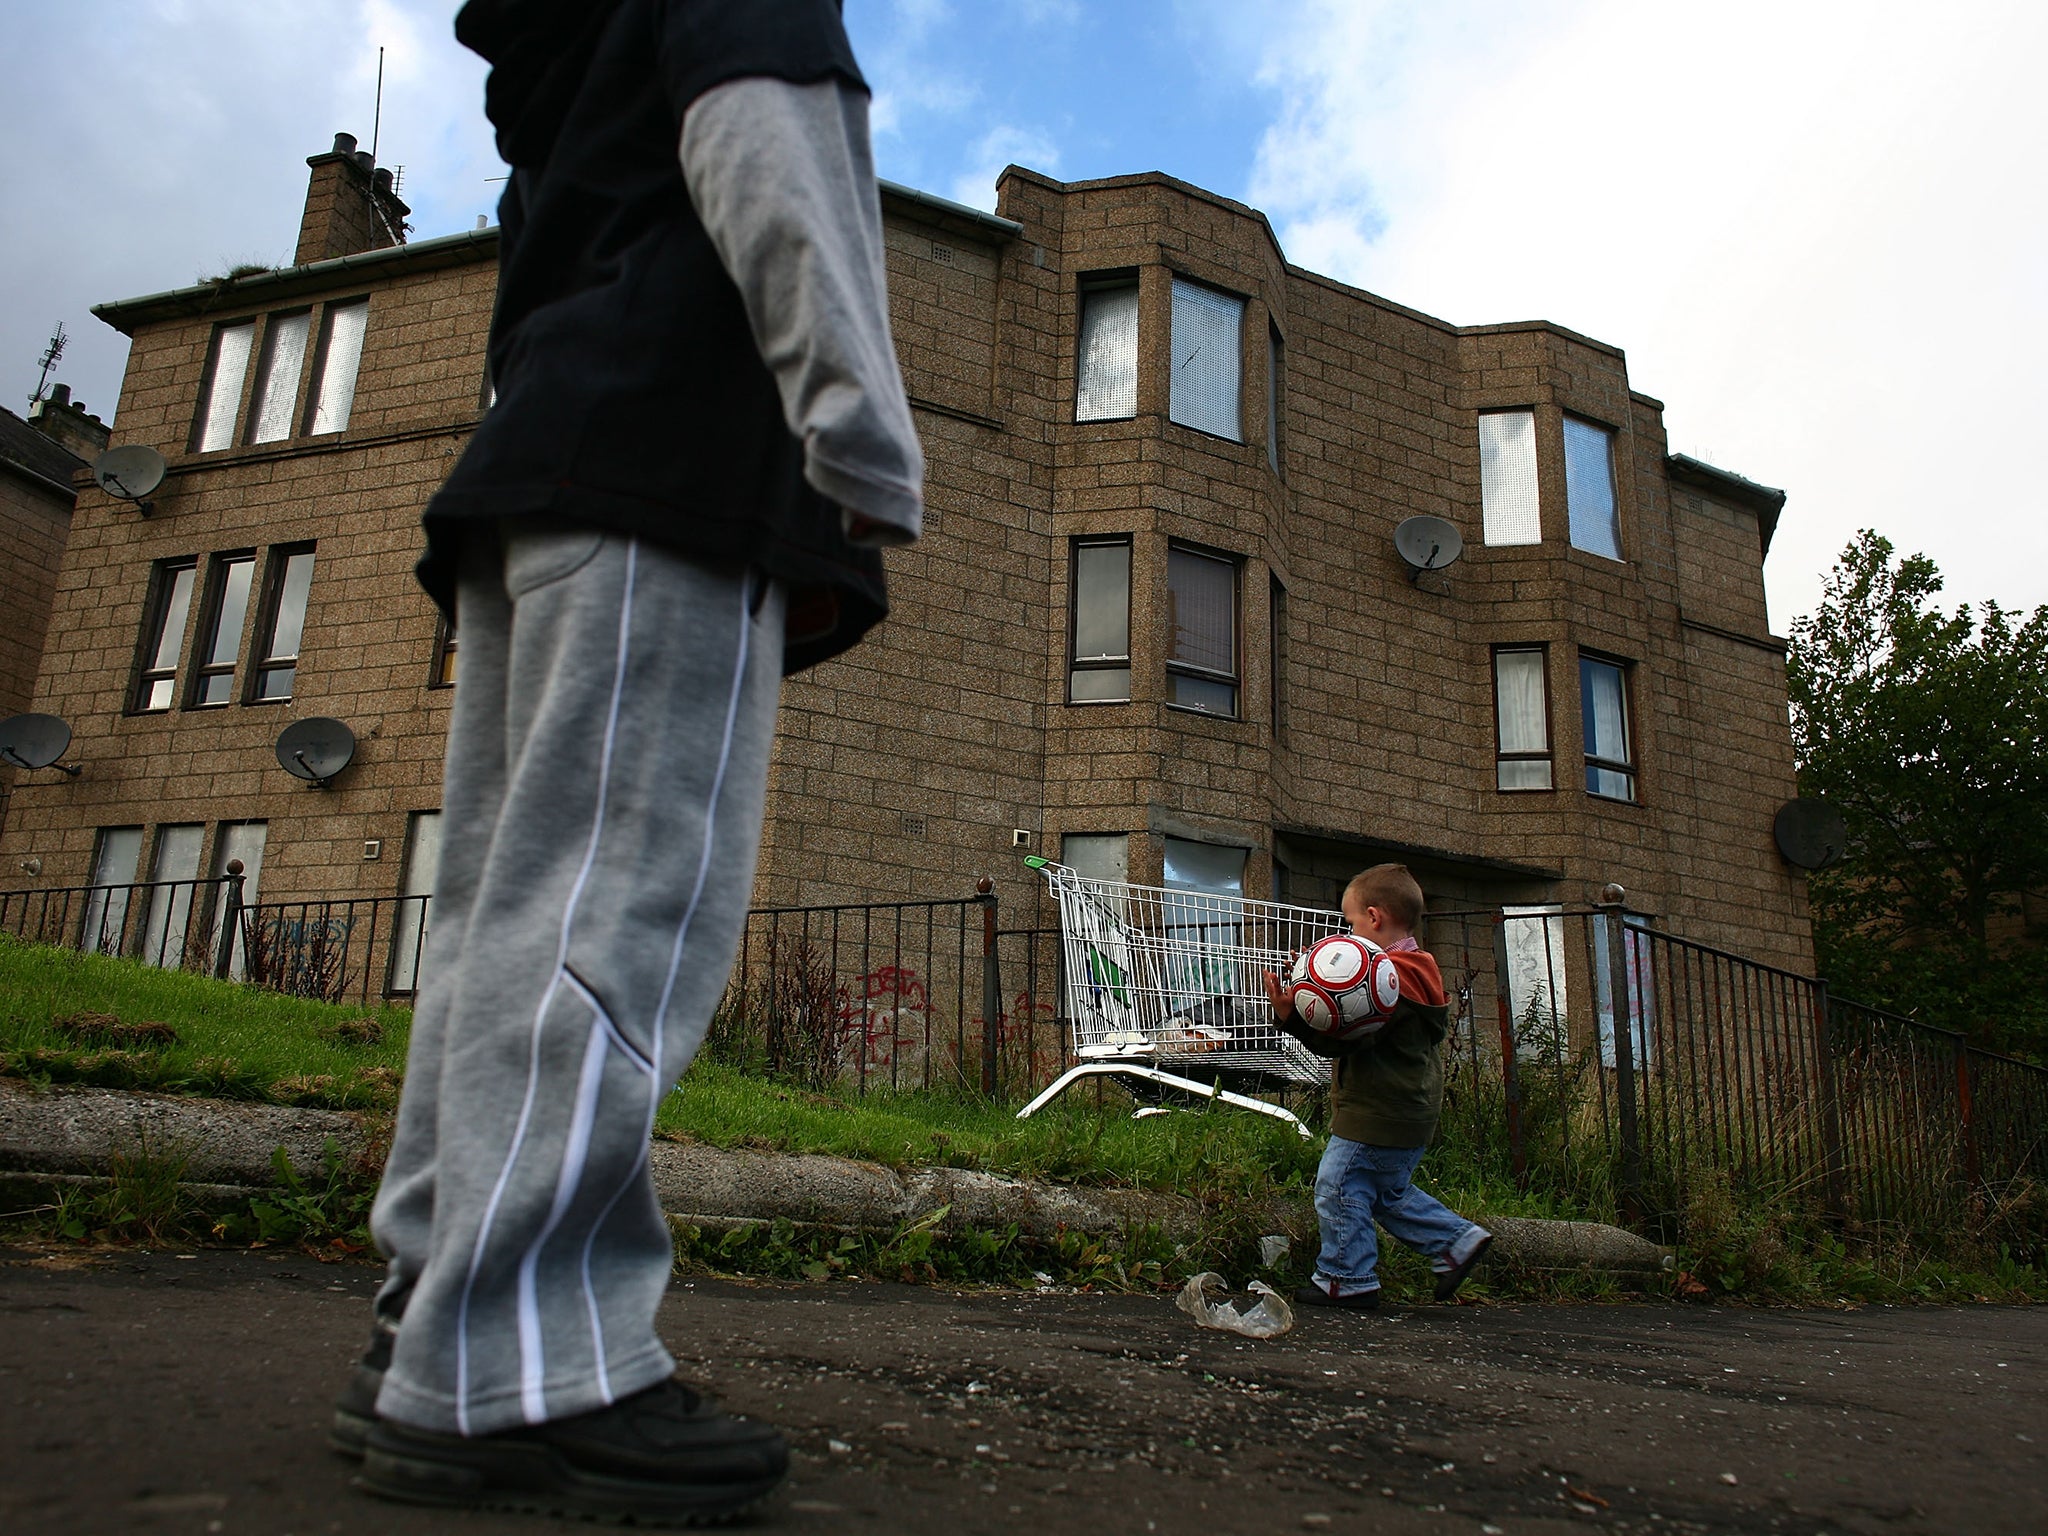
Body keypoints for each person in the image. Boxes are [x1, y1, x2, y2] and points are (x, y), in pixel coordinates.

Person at [330, 0, 924, 1522]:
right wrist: (858, 430)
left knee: (495, 927)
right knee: (616, 917)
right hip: (670, 464)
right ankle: (523, 1361)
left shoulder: (563, 33)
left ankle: (433, 1311)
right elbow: (770, 133)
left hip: (540, 460)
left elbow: (546, 250)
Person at [1260, 864, 1491, 1310]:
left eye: (1350, 924)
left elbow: (1346, 1040)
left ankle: (1346, 1277)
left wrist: (1293, 1013)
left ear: (1374, 917)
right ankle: (1455, 1242)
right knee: (1385, 1193)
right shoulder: (1418, 968)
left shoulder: (1387, 978)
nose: (1348, 932)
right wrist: (1319, 978)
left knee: (1338, 1185)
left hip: (1378, 1108)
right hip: (1411, 1107)